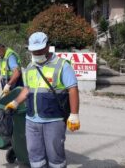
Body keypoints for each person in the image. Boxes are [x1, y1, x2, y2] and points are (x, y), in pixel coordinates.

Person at [5, 32, 80, 168]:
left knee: (55, 156)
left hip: (54, 120)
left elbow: (73, 89)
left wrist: (74, 114)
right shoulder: (30, 68)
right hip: (31, 120)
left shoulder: (62, 65)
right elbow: (27, 89)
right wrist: (15, 102)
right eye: (34, 50)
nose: (37, 52)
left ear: (48, 47)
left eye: (40, 49)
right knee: (34, 154)